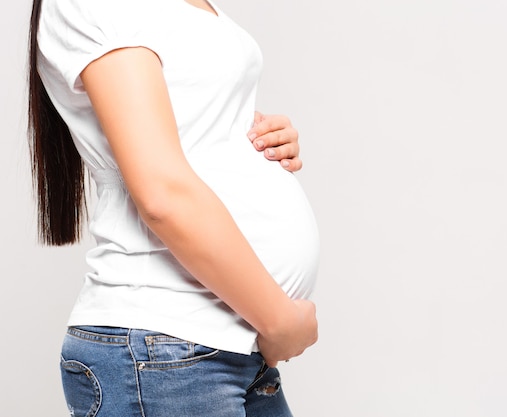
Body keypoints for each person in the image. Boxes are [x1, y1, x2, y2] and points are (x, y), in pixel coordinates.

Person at [28, 0, 319, 415]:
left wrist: (253, 138)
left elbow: (185, 124)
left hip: (217, 341)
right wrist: (280, 321)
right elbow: (161, 192)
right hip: (165, 349)